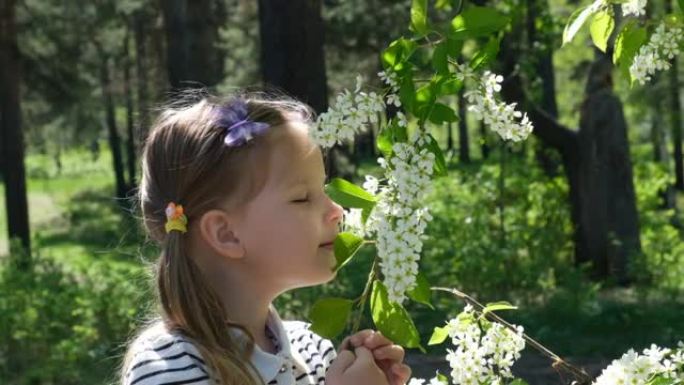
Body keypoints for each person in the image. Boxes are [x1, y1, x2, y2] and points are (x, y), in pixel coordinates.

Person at [120, 90, 412, 385]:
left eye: (324, 190)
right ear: (226, 234)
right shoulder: (168, 365)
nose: (336, 210)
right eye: (302, 198)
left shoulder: (313, 351)